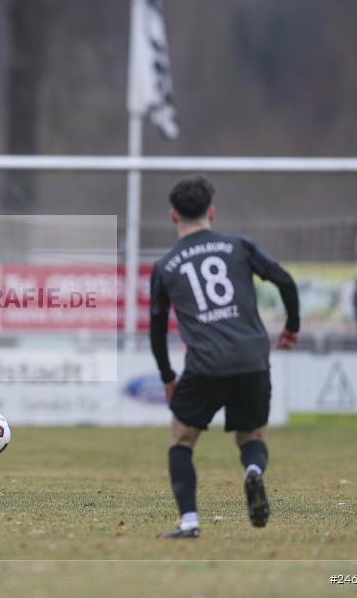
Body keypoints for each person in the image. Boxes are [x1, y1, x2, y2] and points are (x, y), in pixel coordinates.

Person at [149, 175, 300, 538]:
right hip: (252, 358)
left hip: (205, 364)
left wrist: (168, 376)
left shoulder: (166, 266)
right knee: (252, 438)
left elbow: (156, 329)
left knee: (181, 441)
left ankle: (190, 522)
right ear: (211, 212)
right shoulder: (239, 246)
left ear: (173, 216)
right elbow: (285, 280)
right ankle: (253, 472)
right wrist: (292, 326)